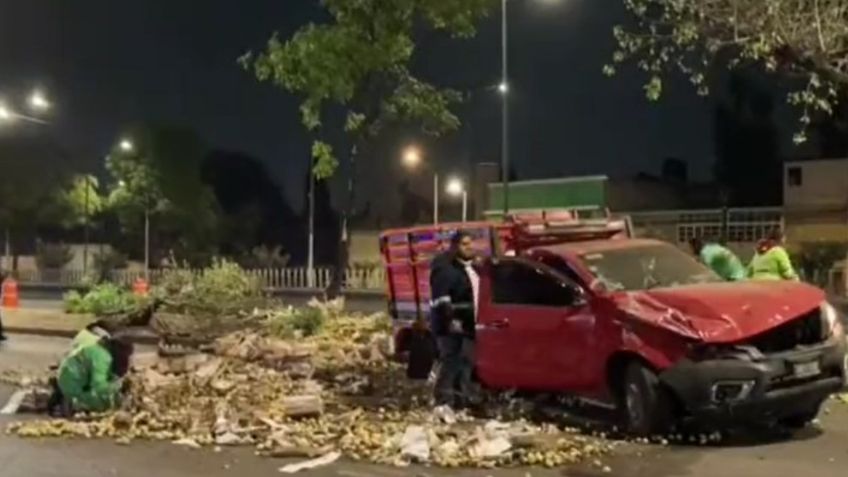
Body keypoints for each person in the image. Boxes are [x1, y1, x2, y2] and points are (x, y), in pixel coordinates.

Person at [428, 230, 479, 408]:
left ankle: (460, 401)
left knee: (465, 363)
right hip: (449, 324)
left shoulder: (472, 268)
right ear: (455, 247)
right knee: (450, 361)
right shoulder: (446, 269)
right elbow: (441, 299)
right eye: (465, 244)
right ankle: (443, 401)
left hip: (469, 324)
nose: (470, 247)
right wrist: (451, 320)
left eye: (471, 243)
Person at [52, 336, 134, 415]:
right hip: (72, 385)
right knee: (105, 402)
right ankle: (74, 404)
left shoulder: (98, 349)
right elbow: (99, 387)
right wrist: (118, 387)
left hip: (68, 377)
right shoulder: (102, 357)